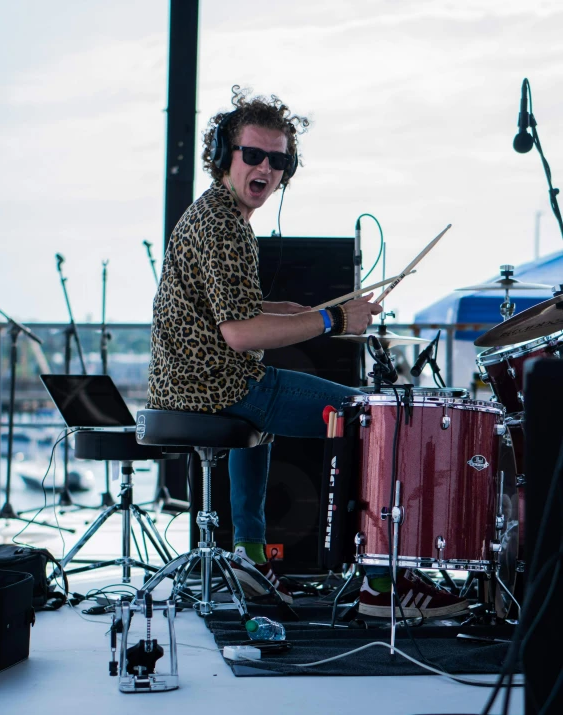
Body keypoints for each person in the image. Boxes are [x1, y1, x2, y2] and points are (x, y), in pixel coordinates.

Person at [147, 85, 467, 618]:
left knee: (271, 423)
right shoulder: (225, 227)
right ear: (226, 155)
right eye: (253, 154)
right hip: (220, 386)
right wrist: (333, 318)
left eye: (278, 160)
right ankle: (382, 588)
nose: (266, 168)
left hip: (186, 384)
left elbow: (230, 307)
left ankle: (250, 558)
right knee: (375, 419)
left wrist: (292, 309)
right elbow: (240, 335)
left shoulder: (212, 214)